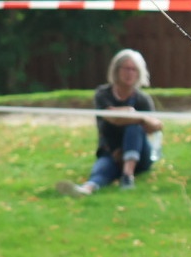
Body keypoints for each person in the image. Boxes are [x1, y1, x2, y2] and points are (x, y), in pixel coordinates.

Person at [56, 49, 163, 197]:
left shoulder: (142, 99)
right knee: (102, 169)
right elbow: (112, 118)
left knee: (134, 127)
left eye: (133, 69)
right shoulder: (103, 94)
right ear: (116, 70)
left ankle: (127, 176)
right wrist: (137, 116)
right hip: (112, 152)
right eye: (126, 68)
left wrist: (138, 117)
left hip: (140, 156)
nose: (129, 73)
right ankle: (87, 189)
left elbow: (156, 127)